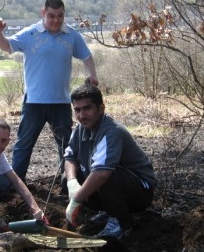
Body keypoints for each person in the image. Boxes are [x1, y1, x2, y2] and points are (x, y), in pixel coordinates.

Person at [0, 0, 98, 181]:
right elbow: (7, 46)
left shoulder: (72, 35)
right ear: (43, 13)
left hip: (61, 102)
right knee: (24, 145)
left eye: (60, 16)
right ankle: (16, 185)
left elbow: (86, 56)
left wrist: (93, 75)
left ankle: (68, 183)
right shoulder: (30, 33)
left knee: (66, 146)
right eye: (51, 16)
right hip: (34, 102)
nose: (56, 20)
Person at [64, 84, 157, 239]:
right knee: (67, 176)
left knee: (108, 177)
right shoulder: (80, 128)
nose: (81, 115)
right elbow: (69, 158)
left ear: (101, 108)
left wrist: (77, 198)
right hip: (114, 185)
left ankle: (121, 221)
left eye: (87, 108)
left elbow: (102, 174)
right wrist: (72, 183)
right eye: (77, 110)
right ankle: (108, 211)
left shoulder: (112, 131)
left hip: (139, 192)